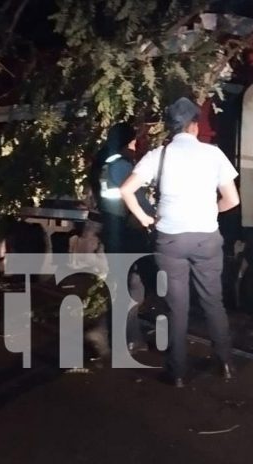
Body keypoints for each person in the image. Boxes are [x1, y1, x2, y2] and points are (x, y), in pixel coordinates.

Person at [120, 97, 241, 387]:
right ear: (195, 126)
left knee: (177, 307)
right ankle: (224, 362)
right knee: (213, 301)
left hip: (170, 240)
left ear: (172, 129)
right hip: (206, 239)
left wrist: (146, 218)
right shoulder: (213, 155)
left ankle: (177, 373)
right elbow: (232, 200)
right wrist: (213, 210)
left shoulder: (158, 157)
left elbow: (126, 190)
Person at [91, 122, 156, 352]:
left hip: (114, 231)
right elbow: (137, 198)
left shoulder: (104, 163)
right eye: (133, 140)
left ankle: (123, 334)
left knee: (129, 284)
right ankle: (123, 336)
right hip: (128, 233)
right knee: (138, 285)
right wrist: (154, 216)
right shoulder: (121, 166)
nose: (136, 144)